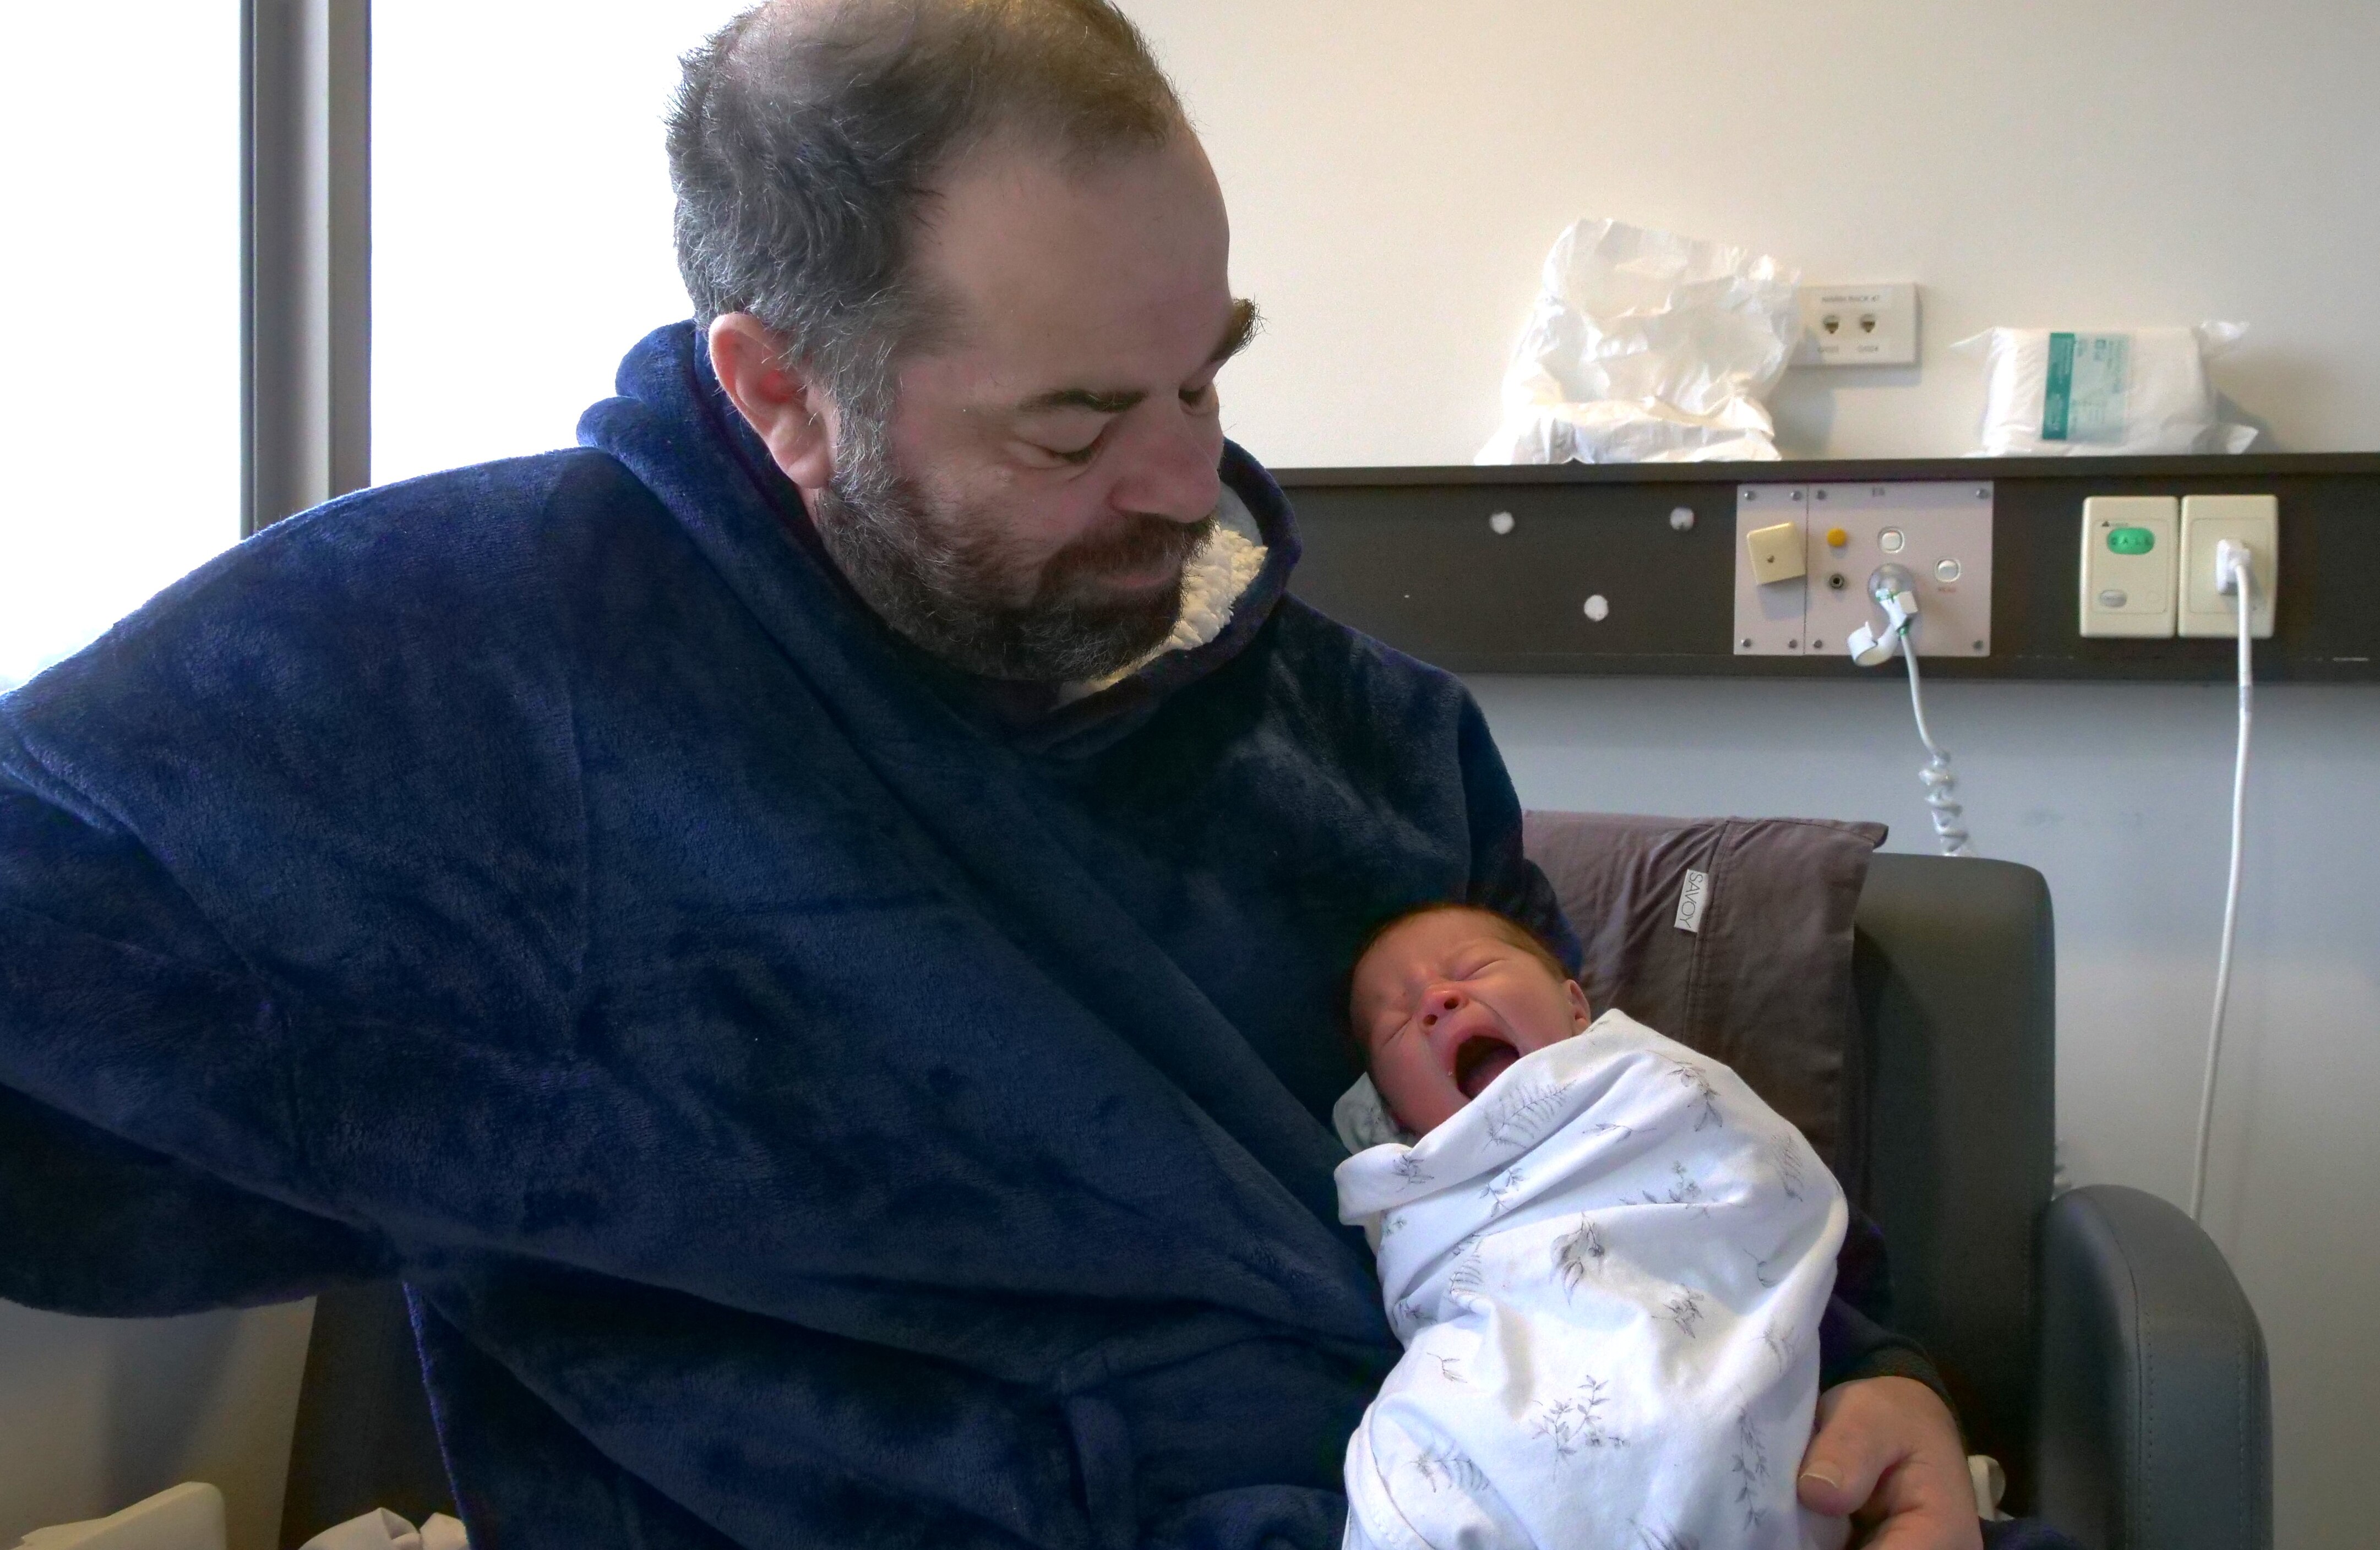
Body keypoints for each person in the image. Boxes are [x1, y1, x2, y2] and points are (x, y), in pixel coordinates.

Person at [0, 2, 1979, 1546]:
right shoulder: (455, 677)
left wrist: (1860, 1371)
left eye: (1209, 372)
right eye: (1077, 424)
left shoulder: (1368, 737)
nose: (1186, 479)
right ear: (783, 395)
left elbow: (1605, 1178)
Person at [1335, 903, 1851, 1550]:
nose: (1437, 1001)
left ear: (1574, 1005)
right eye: (1398, 1022)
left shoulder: (1648, 1083)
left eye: (1474, 967)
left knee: (1700, 1433)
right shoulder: (1420, 1182)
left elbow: (1759, 1183)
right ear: (1395, 1112)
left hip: (1697, 1357)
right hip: (1502, 1396)